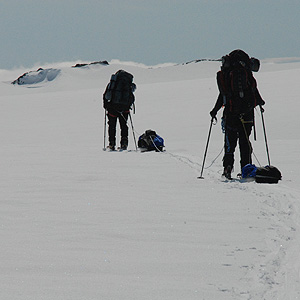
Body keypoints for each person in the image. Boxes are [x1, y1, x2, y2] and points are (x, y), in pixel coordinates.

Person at [210, 50, 265, 179]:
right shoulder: (248, 75)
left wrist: (214, 110)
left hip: (231, 114)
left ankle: (227, 168)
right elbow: (254, 92)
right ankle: (246, 170)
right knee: (245, 142)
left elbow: (223, 95)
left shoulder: (227, 75)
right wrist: (260, 103)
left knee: (230, 143)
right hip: (247, 115)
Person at [103, 70, 136, 151]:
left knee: (112, 126)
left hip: (112, 108)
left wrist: (106, 106)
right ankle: (124, 143)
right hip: (125, 109)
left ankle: (112, 144)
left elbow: (106, 95)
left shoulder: (113, 83)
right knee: (124, 126)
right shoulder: (128, 84)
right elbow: (132, 97)